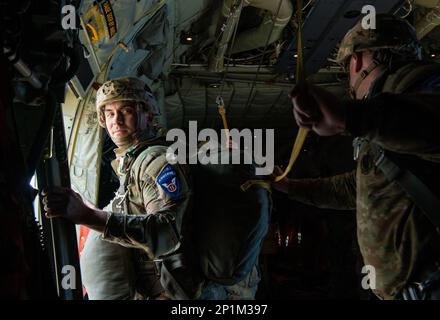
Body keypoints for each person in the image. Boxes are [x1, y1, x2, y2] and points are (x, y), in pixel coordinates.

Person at [42, 76, 260, 300]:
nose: (116, 120)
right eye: (109, 113)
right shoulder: (134, 161)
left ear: (148, 114)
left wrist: (88, 216)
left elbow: (167, 230)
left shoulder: (155, 161)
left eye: (125, 110)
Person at [273, 14, 440, 300]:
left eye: (347, 68)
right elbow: (357, 188)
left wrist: (348, 116)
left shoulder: (419, 83)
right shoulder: (385, 109)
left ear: (357, 61)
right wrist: (290, 186)